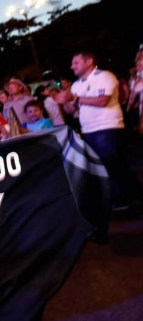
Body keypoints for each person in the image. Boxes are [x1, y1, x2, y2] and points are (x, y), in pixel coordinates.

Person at [61, 50, 143, 212]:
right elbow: (72, 111)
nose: (72, 67)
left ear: (89, 61)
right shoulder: (76, 85)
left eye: (76, 63)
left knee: (114, 162)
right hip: (88, 129)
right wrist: (63, 102)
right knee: (103, 166)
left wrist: (74, 98)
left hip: (107, 127)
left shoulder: (104, 76)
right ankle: (120, 198)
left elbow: (103, 101)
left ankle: (135, 196)